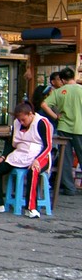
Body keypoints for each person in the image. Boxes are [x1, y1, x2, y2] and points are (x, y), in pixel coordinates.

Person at [0, 102, 52, 218]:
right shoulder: (17, 124)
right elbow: (11, 143)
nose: (22, 123)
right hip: (19, 154)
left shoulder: (42, 123)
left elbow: (48, 145)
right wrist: (2, 157)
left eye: (24, 120)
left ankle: (31, 208)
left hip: (39, 155)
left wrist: (37, 160)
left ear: (30, 114)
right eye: (19, 120)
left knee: (33, 170)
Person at [40, 67, 82, 196]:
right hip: (80, 128)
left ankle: (69, 188)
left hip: (64, 128)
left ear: (62, 80)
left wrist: (55, 116)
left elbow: (44, 104)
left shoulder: (59, 91)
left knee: (65, 159)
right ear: (73, 77)